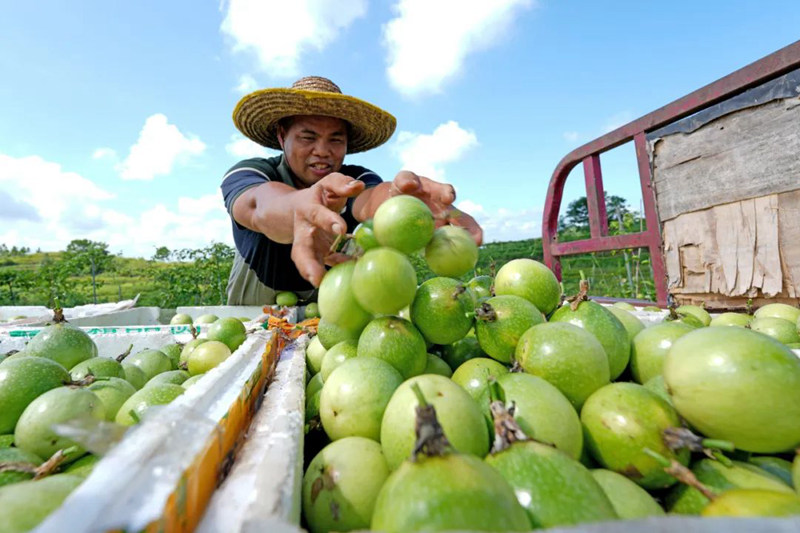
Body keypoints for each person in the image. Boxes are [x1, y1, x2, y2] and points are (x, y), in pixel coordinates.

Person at [221, 76, 483, 305]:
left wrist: (400, 202)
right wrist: (299, 206)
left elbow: (369, 198)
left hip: (330, 312)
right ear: (281, 136)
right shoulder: (252, 173)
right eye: (308, 137)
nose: (322, 151)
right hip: (251, 315)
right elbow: (258, 206)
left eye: (335, 139)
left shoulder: (354, 178)